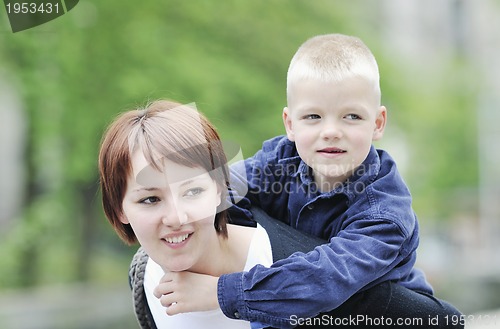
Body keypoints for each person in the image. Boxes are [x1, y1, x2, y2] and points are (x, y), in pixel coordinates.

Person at [155, 34, 464, 328]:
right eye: (313, 117)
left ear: (378, 123)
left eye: (351, 116)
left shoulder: (385, 211)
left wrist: (221, 292)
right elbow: (219, 188)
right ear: (290, 123)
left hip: (381, 317)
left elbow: (326, 279)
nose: (330, 131)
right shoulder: (281, 159)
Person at [98, 100, 325, 329]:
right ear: (119, 209)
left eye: (192, 191)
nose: (176, 218)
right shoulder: (144, 277)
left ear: (219, 189)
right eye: (150, 199)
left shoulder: (303, 274)